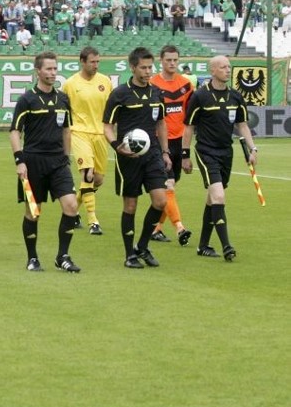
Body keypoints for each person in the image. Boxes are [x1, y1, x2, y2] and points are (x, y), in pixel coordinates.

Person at [11, 52, 81, 272]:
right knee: (33, 211)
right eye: (48, 69)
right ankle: (32, 258)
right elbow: (15, 132)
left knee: (71, 206)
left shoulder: (62, 98)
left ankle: (63, 256)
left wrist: (66, 156)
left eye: (54, 68)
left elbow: (67, 129)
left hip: (58, 162)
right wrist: (19, 161)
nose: (53, 72)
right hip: (33, 162)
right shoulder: (27, 99)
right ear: (38, 71)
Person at [182, 55, 256, 262]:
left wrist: (253, 149)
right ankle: (227, 246)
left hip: (226, 152)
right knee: (219, 197)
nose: (227, 70)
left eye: (229, 67)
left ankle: (203, 245)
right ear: (213, 70)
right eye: (223, 67)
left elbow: (242, 125)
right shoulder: (200, 96)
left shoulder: (235, 96)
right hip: (206, 151)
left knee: (212, 199)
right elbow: (188, 128)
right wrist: (185, 155)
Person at [103, 47, 171, 269]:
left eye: (150, 67)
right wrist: (116, 146)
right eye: (143, 67)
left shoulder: (156, 93)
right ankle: (129, 254)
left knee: (161, 201)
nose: (148, 71)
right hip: (128, 157)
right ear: (132, 67)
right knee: (130, 205)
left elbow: (161, 123)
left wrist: (165, 151)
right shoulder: (120, 94)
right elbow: (107, 126)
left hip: (152, 155)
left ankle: (142, 246)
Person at [61, 46, 112, 235]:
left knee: (97, 180)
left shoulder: (105, 81)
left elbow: (111, 108)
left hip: (100, 134)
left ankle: (73, 210)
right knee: (87, 174)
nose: (96, 65)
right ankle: (93, 221)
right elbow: (63, 111)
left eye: (98, 61)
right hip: (79, 132)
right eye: (92, 62)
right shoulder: (70, 84)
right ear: (82, 61)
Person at [149, 45, 194, 245]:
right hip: (159, 142)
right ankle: (179, 227)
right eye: (168, 60)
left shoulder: (186, 85)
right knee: (169, 186)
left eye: (175, 60)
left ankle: (156, 229)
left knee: (170, 187)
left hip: (179, 141)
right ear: (161, 60)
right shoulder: (152, 84)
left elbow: (190, 118)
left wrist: (186, 151)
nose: (172, 63)